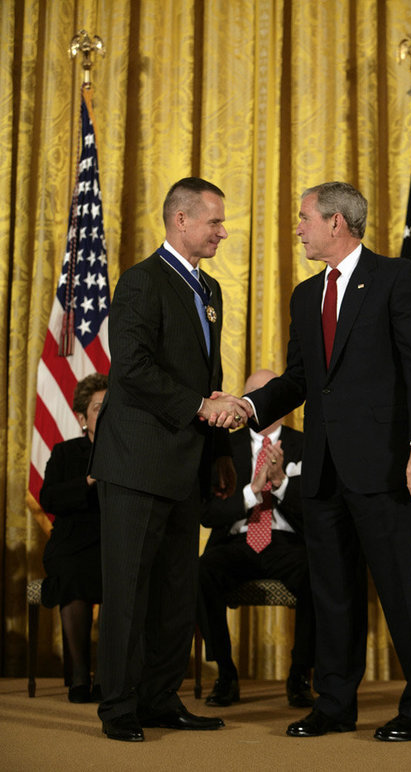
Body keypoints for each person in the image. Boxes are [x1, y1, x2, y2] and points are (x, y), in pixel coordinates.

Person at [231, 182, 411, 741]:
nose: (297, 227)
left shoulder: (398, 279)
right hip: (325, 472)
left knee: (405, 591)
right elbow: (301, 381)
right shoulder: (306, 295)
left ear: (336, 223)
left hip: (389, 468)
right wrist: (249, 406)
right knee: (332, 595)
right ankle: (334, 704)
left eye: (303, 217)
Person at [89, 177, 253, 742]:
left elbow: (211, 380)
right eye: (214, 222)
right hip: (136, 464)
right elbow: (131, 368)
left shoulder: (209, 290)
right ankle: (118, 706)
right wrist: (203, 409)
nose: (222, 232)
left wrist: (222, 454)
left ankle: (161, 698)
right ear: (180, 220)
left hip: (186, 466)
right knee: (129, 592)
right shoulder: (140, 282)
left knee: (175, 592)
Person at [199, 369, 315, 709]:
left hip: (286, 542)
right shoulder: (223, 448)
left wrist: (280, 485)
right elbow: (208, 515)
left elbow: (318, 517)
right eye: (252, 397)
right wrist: (252, 491)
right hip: (237, 542)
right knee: (202, 571)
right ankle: (225, 673)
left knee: (318, 572)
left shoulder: (306, 444)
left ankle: (299, 674)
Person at [40, 372, 108, 704]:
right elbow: (49, 498)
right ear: (82, 417)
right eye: (98, 408)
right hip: (71, 541)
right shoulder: (65, 453)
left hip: (110, 541)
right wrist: (89, 480)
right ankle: (80, 675)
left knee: (122, 573)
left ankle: (110, 676)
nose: (106, 413)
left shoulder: (128, 451)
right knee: (71, 572)